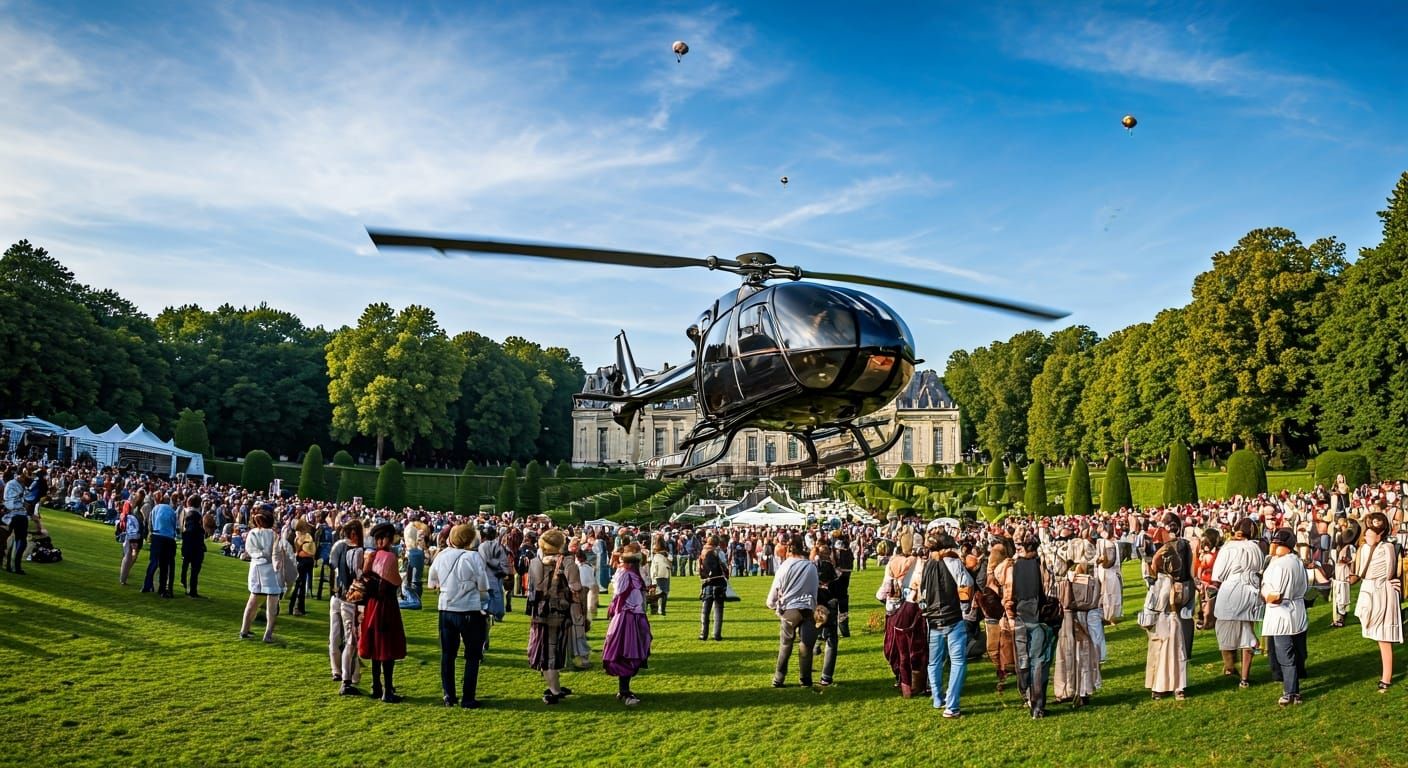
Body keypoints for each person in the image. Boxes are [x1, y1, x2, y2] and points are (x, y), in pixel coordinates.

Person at [427, 523, 491, 709]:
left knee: (448, 654)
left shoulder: (442, 555)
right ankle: (468, 697)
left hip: (446, 609)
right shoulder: (473, 557)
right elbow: (483, 585)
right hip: (470, 609)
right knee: (472, 655)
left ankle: (449, 694)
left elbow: (432, 582)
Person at [914, 533, 973, 718]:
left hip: (932, 618)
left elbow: (921, 591)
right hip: (953, 616)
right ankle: (952, 704)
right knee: (958, 661)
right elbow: (966, 584)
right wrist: (965, 607)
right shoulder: (952, 562)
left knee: (935, 661)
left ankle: (937, 698)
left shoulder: (927, 565)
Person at [528, 529, 582, 704]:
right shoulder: (567, 562)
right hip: (560, 611)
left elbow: (532, 588)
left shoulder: (535, 562)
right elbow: (576, 588)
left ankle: (555, 686)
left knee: (545, 649)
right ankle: (554, 690)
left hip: (540, 610)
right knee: (553, 650)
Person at [1351, 511, 1403, 692]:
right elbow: (1360, 570)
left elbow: (1390, 572)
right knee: (1374, 628)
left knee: (1384, 636)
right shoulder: (1365, 548)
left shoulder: (1387, 547)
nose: (1367, 536)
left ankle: (1386, 678)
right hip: (1371, 590)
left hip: (1382, 591)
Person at [1145, 517, 1194, 700]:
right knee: (1170, 646)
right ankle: (1167, 686)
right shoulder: (1180, 546)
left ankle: (1168, 686)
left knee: (1171, 646)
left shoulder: (1181, 547)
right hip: (1170, 602)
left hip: (1172, 603)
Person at [1211, 518, 1264, 687]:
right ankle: (1244, 678)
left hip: (1231, 589)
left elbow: (1218, 574)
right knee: (1247, 632)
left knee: (1224, 630)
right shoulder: (1255, 547)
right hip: (1252, 591)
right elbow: (1260, 568)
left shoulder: (1228, 547)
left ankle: (1229, 667)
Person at [1005, 536, 1054, 718]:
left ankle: (1026, 693)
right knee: (1038, 661)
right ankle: (1037, 705)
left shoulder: (1013, 567)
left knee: (1023, 659)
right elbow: (1048, 590)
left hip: (1019, 617)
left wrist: (1010, 614)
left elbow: (1008, 593)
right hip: (1037, 617)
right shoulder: (1041, 566)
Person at [359, 522, 408, 703]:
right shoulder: (389, 557)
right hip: (386, 605)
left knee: (375, 646)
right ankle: (387, 690)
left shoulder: (371, 555)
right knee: (387, 647)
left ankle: (376, 685)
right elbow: (395, 582)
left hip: (372, 604)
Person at [877, 535, 928, 698]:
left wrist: (884, 597)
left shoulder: (893, 563)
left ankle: (904, 682)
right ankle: (920, 683)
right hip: (917, 609)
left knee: (898, 650)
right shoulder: (922, 562)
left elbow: (884, 590)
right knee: (918, 648)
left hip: (896, 611)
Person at [1262, 527, 1309, 706]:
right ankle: (1293, 689)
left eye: (1278, 544)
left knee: (1285, 654)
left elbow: (1276, 597)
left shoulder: (1280, 565)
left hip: (1281, 613)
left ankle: (1291, 692)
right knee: (1295, 652)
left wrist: (1264, 595)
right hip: (1297, 610)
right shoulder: (1297, 561)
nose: (1275, 546)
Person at [602, 543, 653, 706]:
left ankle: (624, 689)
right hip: (627, 618)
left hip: (635, 616)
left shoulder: (633, 574)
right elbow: (619, 594)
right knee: (627, 653)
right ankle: (624, 691)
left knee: (633, 652)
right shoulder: (625, 574)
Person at [767, 533, 818, 688]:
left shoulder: (784, 566)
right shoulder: (811, 566)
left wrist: (773, 604)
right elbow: (814, 591)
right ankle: (805, 679)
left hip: (789, 609)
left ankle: (779, 678)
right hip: (807, 608)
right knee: (806, 646)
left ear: (789, 548)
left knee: (785, 645)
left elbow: (774, 593)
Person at [1052, 560, 1102, 708]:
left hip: (1069, 620)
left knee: (1068, 656)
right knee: (1082, 657)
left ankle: (1069, 690)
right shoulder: (1093, 583)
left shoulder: (1065, 582)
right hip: (1083, 621)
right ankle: (1081, 691)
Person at [329, 520, 365, 695]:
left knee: (335, 636)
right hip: (349, 598)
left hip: (337, 595)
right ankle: (347, 679)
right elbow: (357, 575)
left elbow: (332, 567)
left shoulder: (339, 546)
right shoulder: (357, 551)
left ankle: (338, 671)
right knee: (351, 640)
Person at [239, 511, 284, 643]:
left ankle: (244, 630)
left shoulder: (252, 533)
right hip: (270, 569)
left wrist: (260, 556)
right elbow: (276, 553)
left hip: (256, 568)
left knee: (253, 600)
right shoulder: (274, 535)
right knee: (272, 604)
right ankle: (268, 634)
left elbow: (250, 550)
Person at [981, 541, 1016, 692]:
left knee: (999, 647)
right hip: (993, 613)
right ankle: (1003, 672)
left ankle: (1004, 673)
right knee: (996, 648)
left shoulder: (1005, 570)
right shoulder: (995, 570)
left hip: (998, 614)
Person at [813, 542, 841, 687]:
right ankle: (826, 676)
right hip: (829, 604)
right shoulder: (829, 567)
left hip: (816, 604)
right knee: (831, 641)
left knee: (814, 632)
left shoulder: (813, 566)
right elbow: (837, 587)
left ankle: (814, 650)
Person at [142, 491, 179, 597]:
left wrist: (151, 534)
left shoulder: (155, 509)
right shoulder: (172, 511)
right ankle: (163, 589)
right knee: (165, 565)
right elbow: (174, 525)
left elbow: (151, 523)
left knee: (153, 562)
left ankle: (147, 585)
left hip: (157, 536)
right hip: (168, 538)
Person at [1329, 518, 1359, 628]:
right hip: (1338, 574)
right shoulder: (1338, 548)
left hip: (1344, 574)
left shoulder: (1350, 547)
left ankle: (1341, 618)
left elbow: (1354, 559)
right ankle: (1337, 618)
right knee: (1338, 597)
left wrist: (1347, 561)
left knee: (1342, 597)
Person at [698, 535, 728, 641]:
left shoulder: (703, 552)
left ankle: (703, 634)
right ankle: (716, 634)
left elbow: (700, 568)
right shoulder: (719, 552)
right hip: (719, 581)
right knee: (718, 609)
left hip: (707, 582)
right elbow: (725, 567)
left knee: (705, 611)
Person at [179, 494, 206, 598]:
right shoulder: (194, 515)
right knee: (194, 568)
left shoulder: (186, 512)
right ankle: (191, 590)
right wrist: (201, 531)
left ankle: (189, 588)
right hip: (194, 544)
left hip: (188, 543)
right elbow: (192, 530)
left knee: (188, 566)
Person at [4, 467, 30, 574]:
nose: (24, 478)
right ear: (18, 475)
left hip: (22, 515)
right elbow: (10, 500)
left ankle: (16, 566)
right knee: (10, 540)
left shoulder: (23, 485)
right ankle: (9, 565)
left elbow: (28, 500)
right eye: (23, 476)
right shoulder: (11, 484)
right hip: (12, 515)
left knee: (21, 541)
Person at [289, 519, 316, 616]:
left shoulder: (300, 536)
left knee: (300, 585)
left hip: (303, 561)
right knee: (300, 585)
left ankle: (296, 607)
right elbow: (306, 551)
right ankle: (297, 608)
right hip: (303, 561)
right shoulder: (303, 537)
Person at [117, 495, 144, 586]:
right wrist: (133, 541)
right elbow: (132, 529)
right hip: (130, 537)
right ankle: (123, 579)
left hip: (127, 536)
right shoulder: (132, 515)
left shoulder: (126, 512)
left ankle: (123, 578)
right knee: (128, 557)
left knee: (126, 557)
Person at [648, 543, 672, 616]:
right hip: (664, 575)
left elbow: (654, 568)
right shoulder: (666, 556)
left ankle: (659, 609)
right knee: (662, 593)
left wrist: (653, 576)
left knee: (660, 593)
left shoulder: (657, 557)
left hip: (659, 576)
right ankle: (660, 609)